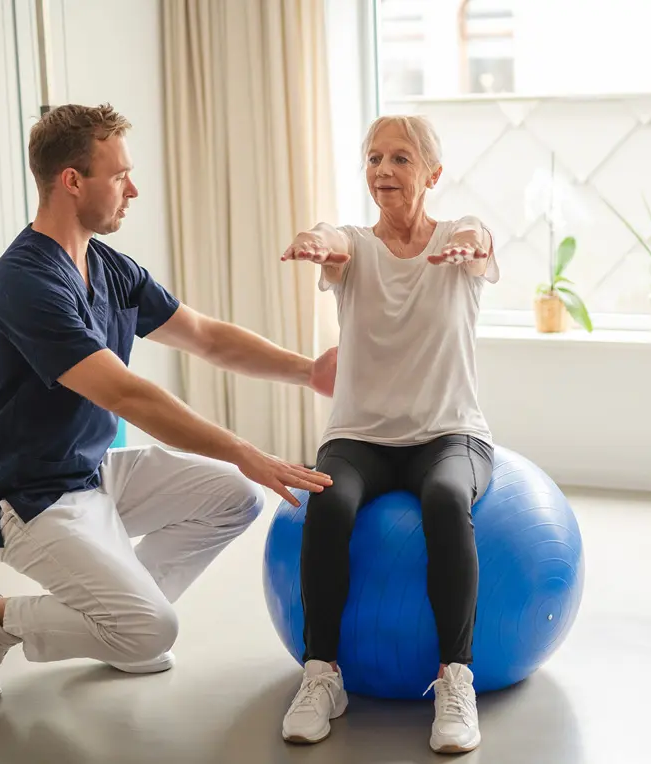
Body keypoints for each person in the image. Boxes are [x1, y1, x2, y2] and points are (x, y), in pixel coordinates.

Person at [0, 103, 336, 704]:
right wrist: (245, 450)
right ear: (72, 181)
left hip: (93, 471)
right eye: (120, 175)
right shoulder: (26, 283)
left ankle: (119, 630)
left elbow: (204, 335)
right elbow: (126, 394)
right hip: (28, 494)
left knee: (233, 496)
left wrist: (309, 371)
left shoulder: (108, 267)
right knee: (153, 630)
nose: (135, 189)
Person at [278, 114, 499, 754]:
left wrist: (475, 246)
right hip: (360, 437)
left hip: (451, 432)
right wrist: (313, 240)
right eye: (374, 159)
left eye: (400, 159)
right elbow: (333, 239)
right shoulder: (353, 247)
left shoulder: (458, 238)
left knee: (445, 499)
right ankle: (322, 675)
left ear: (432, 173)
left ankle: (456, 680)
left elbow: (478, 238)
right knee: (329, 499)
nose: (383, 171)